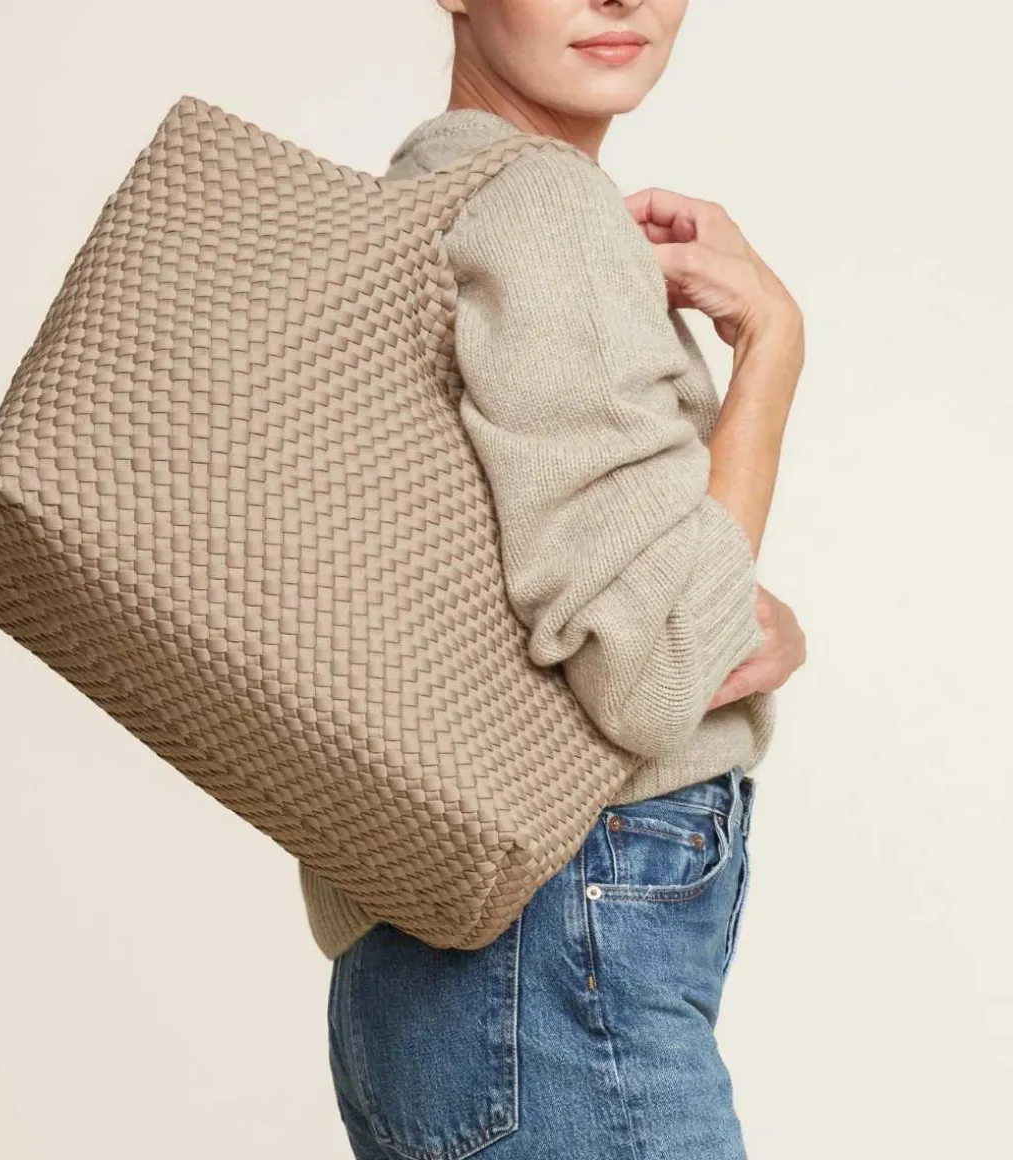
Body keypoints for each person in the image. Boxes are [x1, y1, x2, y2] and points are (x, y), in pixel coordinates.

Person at [316, 3, 807, 1156]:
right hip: (552, 944)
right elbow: (655, 667)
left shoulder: (421, 195)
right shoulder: (541, 205)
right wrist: (772, 345)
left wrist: (739, 611)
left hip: (433, 976)